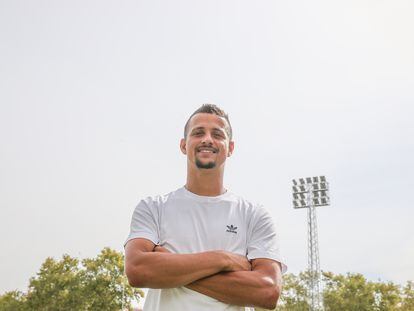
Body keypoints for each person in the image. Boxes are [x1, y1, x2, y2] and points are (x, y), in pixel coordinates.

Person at [124, 104, 287, 310]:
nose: (207, 139)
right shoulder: (153, 207)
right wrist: (223, 259)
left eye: (217, 134)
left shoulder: (254, 215)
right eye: (198, 132)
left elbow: (267, 292)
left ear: (230, 148)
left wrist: (171, 269)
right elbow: (137, 270)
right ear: (184, 145)